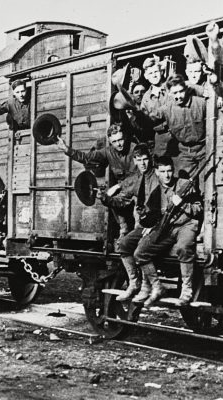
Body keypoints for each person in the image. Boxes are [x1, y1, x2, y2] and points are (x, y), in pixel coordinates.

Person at [120, 156, 202, 307]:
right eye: (163, 171)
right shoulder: (157, 191)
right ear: (157, 172)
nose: (167, 175)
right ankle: (156, 286)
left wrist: (183, 204)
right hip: (167, 228)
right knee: (140, 252)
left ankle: (187, 291)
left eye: (169, 171)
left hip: (186, 225)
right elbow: (153, 214)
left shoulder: (184, 184)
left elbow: (198, 209)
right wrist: (148, 224)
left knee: (184, 248)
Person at [56, 123, 137, 236]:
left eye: (120, 139)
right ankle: (124, 228)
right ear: (109, 141)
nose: (118, 144)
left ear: (125, 137)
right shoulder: (108, 152)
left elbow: (139, 176)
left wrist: (119, 186)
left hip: (137, 188)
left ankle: (138, 231)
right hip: (124, 190)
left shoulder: (134, 149)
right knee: (108, 198)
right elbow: (87, 158)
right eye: (114, 142)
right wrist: (67, 149)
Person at [102, 143, 159, 301]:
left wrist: (155, 224)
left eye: (145, 159)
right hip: (144, 225)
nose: (143, 163)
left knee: (142, 248)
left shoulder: (158, 177)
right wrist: (106, 199)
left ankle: (147, 287)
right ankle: (134, 283)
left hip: (159, 225)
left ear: (150, 159)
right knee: (123, 244)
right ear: (134, 161)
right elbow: (123, 200)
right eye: (139, 160)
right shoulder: (136, 179)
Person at [138, 74, 206, 178]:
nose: (178, 96)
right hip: (184, 153)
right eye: (174, 93)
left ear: (186, 90)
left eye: (181, 91)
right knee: (184, 184)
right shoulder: (167, 108)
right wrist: (137, 112)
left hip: (203, 150)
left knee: (206, 184)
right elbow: (150, 118)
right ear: (169, 93)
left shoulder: (201, 104)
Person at [140, 57, 176, 158]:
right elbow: (146, 122)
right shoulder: (146, 98)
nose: (154, 75)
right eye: (150, 73)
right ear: (146, 76)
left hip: (177, 133)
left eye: (156, 71)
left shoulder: (172, 87)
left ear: (161, 71)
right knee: (162, 165)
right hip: (161, 138)